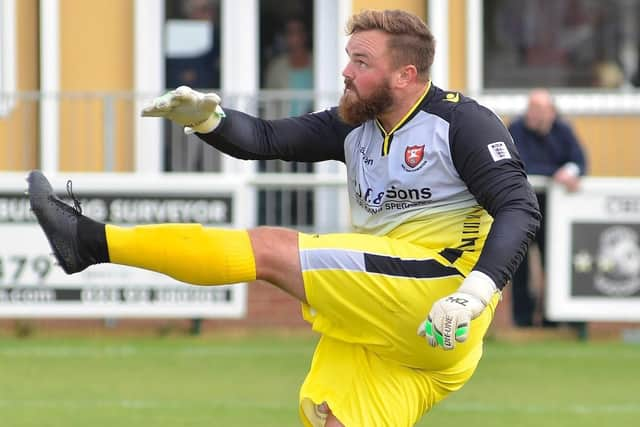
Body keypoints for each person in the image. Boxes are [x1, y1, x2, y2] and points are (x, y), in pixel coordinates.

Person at [27, 10, 540, 427]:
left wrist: (473, 295)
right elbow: (267, 140)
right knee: (330, 420)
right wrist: (207, 119)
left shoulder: (462, 123)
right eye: (348, 59)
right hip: (398, 330)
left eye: (361, 62)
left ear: (406, 75)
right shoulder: (354, 125)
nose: (345, 72)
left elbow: (519, 207)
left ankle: (90, 242)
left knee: (271, 249)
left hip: (440, 297)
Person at [508, 88, 587, 327]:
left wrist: (571, 171)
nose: (533, 114)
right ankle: (522, 320)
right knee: (517, 263)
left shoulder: (564, 130)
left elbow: (580, 162)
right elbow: (520, 163)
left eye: (539, 109)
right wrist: (557, 173)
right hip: (521, 207)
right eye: (531, 108)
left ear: (552, 111)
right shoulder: (516, 129)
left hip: (554, 210)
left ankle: (552, 317)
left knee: (553, 262)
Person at [263, 17, 314, 118]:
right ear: (285, 37)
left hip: (316, 127)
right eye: (290, 32)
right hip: (285, 127)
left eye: (299, 32)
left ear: (306, 35)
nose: (295, 37)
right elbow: (269, 103)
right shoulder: (276, 67)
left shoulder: (320, 64)